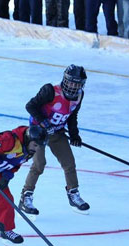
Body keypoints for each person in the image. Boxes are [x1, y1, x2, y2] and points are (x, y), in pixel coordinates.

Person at [19, 65, 90, 217]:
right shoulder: (50, 91)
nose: (73, 86)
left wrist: (74, 135)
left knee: (69, 162)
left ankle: (73, 193)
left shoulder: (79, 95)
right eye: (71, 82)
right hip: (38, 132)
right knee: (39, 164)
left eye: (77, 83)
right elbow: (30, 106)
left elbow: (72, 115)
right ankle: (26, 196)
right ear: (65, 80)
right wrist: (44, 122)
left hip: (57, 132)